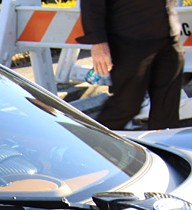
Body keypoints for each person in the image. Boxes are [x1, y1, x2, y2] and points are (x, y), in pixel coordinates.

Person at [77, 0, 184, 130]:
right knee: (126, 106)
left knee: (167, 111)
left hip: (169, 37)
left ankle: (160, 149)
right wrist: (98, 42)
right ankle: (92, 146)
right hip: (130, 39)